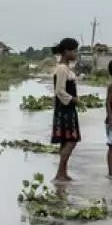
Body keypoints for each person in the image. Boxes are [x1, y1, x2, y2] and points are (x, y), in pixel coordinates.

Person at [50, 38, 81, 182]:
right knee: (71, 140)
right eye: (74, 50)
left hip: (67, 107)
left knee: (66, 140)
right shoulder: (62, 69)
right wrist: (74, 100)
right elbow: (59, 91)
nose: (76, 53)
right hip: (65, 108)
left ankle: (63, 172)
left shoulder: (65, 68)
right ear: (66, 51)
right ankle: (60, 172)